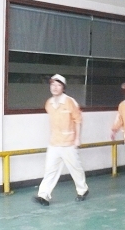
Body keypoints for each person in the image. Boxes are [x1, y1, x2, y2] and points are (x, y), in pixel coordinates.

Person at [34, 74, 89, 206]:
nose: (55, 87)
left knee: (75, 168)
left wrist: (77, 138)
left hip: (69, 142)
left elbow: (78, 120)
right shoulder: (49, 103)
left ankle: (82, 190)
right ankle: (43, 195)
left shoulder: (70, 102)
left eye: (58, 85)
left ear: (63, 88)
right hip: (54, 142)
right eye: (53, 85)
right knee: (50, 170)